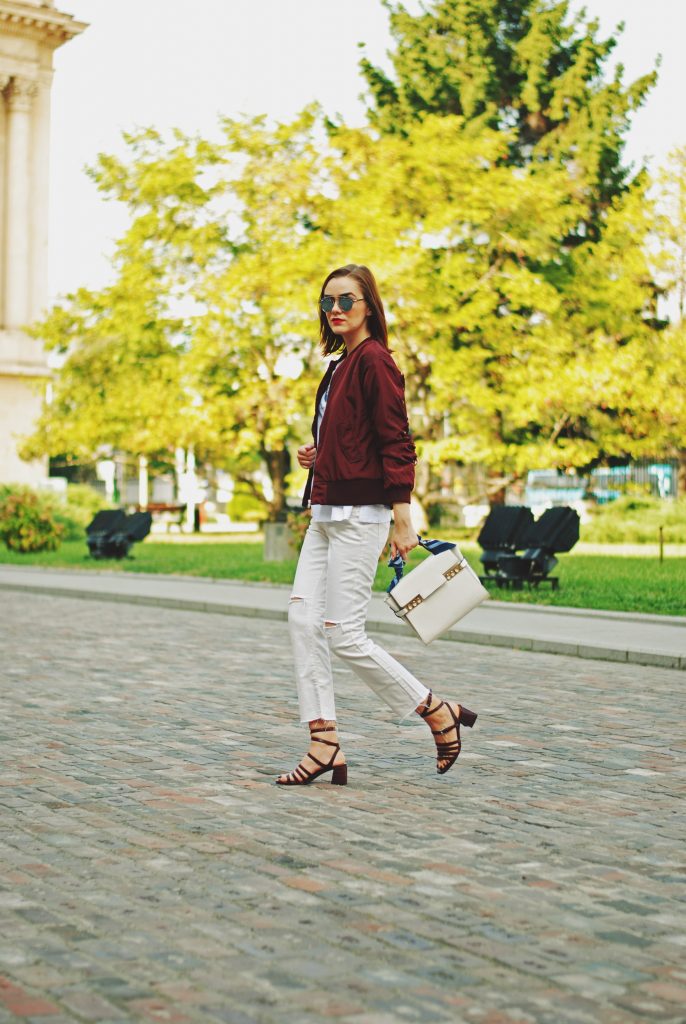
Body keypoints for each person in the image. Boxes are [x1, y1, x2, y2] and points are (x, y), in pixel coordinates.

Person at [276, 264, 477, 787]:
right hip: (325, 511)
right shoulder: (340, 365)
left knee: (344, 633)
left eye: (346, 300)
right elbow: (355, 438)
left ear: (369, 306)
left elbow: (397, 442)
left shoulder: (376, 361)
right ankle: (324, 741)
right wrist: (321, 454)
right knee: (302, 621)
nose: (336, 310)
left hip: (361, 516)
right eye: (327, 303)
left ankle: (434, 710)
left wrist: (402, 518)